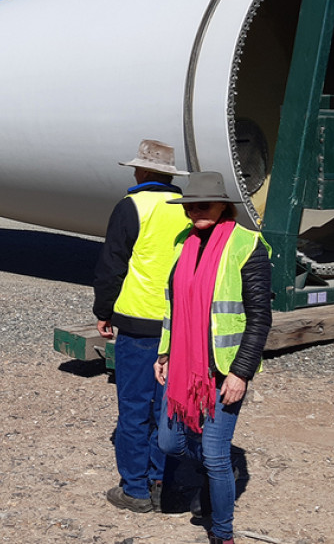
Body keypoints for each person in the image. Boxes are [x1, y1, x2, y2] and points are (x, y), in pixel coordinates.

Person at [155, 171, 272, 544]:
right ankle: (215, 473)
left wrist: (242, 372)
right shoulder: (182, 242)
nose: (195, 212)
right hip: (184, 369)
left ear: (224, 205)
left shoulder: (246, 245)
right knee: (169, 444)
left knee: (215, 452)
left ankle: (222, 534)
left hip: (223, 370)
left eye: (203, 204)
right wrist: (165, 352)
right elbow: (174, 306)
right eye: (190, 206)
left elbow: (259, 317)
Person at [93, 139, 191, 513]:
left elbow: (111, 265)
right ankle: (161, 482)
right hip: (179, 323)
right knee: (166, 408)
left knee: (133, 406)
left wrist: (104, 311)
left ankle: (134, 489)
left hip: (138, 323)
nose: (134, 173)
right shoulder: (186, 209)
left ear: (145, 172)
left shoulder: (131, 206)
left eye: (137, 168)